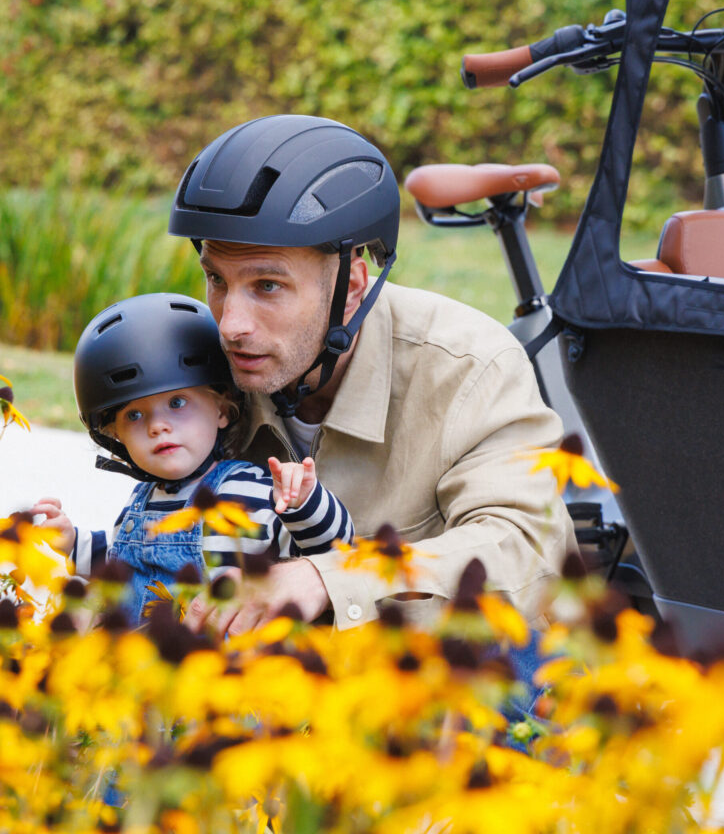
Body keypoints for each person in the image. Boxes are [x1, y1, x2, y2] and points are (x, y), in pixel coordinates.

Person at [167, 114, 577, 636]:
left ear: (353, 286)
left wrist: (325, 577)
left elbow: (526, 549)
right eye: (217, 280)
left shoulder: (469, 366)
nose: (231, 325)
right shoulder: (204, 370)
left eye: (268, 286)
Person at [31, 292, 353, 623]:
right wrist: (72, 542)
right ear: (115, 435)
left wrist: (305, 503)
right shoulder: (140, 503)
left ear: (222, 410)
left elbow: (332, 550)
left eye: (177, 403)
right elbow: (118, 566)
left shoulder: (244, 492)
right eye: (134, 416)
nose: (158, 426)